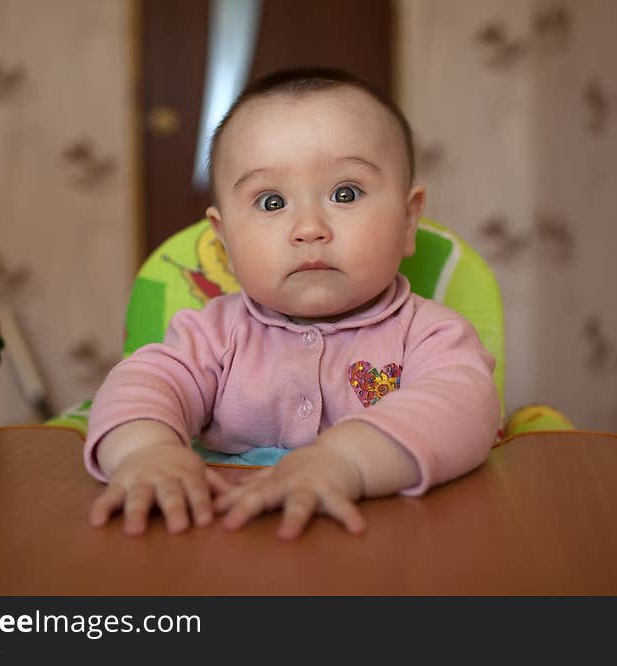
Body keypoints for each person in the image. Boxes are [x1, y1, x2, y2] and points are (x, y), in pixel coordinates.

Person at [84, 67, 500, 539]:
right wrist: (146, 451)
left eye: (346, 193)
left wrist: (343, 461)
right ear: (224, 244)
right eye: (271, 202)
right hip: (230, 535)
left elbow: (464, 408)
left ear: (408, 221)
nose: (308, 227)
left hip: (381, 540)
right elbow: (140, 385)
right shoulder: (210, 336)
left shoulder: (431, 335)